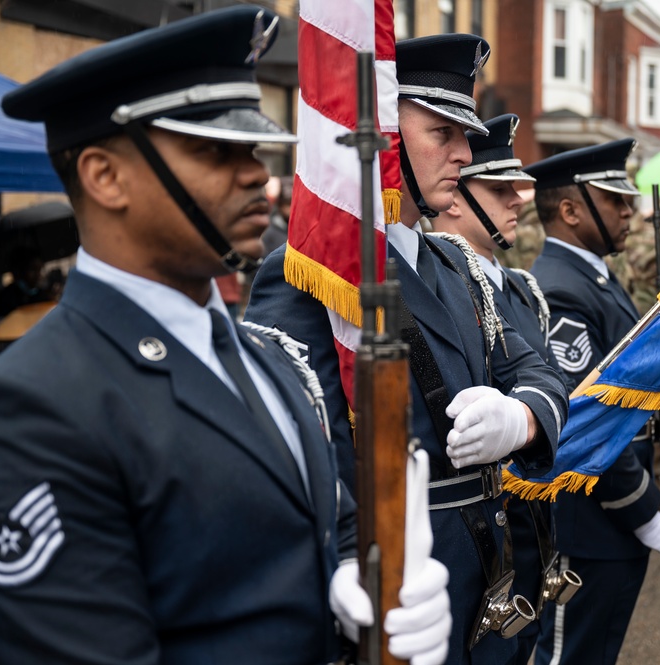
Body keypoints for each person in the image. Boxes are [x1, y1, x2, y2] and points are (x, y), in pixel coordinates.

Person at [0, 7, 450, 664]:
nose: (256, 174)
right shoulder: (27, 411)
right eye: (213, 150)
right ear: (104, 176)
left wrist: (351, 582)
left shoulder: (268, 358)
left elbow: (326, 518)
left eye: (251, 148)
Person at [246, 34, 569, 665]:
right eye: (442, 134)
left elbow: (533, 364)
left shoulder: (456, 262)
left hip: (489, 577)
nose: (463, 152)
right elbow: (298, 441)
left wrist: (521, 416)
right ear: (387, 138)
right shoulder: (313, 270)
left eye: (464, 134)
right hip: (400, 582)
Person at [524, 140, 660, 665]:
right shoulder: (563, 291)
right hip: (589, 519)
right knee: (570, 655)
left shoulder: (595, 279)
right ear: (569, 210)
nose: (631, 211)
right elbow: (582, 424)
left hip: (608, 522)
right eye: (616, 201)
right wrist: (644, 512)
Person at [428, 113, 569, 664]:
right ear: (455, 201)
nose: (518, 200)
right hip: (462, 549)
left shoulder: (519, 288)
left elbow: (544, 377)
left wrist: (525, 418)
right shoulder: (441, 276)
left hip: (525, 533)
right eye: (500, 188)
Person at [0, 244, 50, 328]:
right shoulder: (3, 300)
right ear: (19, 271)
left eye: (39, 270)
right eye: (32, 270)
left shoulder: (43, 296)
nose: (38, 276)